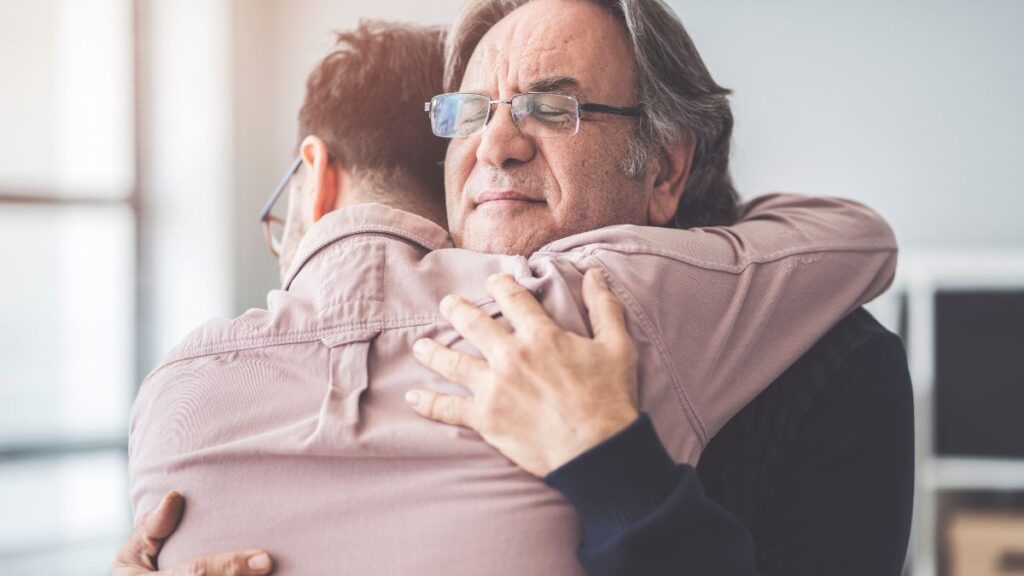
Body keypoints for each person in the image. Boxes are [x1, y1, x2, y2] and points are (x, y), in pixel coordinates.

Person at [115, 5, 911, 576]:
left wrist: (608, 461)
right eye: (470, 114)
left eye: (550, 107)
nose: (495, 144)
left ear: (665, 169)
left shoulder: (830, 361)